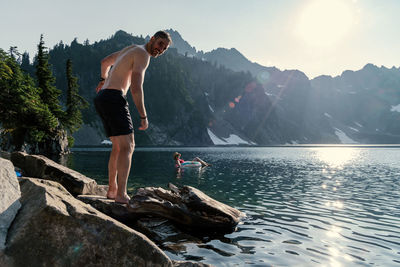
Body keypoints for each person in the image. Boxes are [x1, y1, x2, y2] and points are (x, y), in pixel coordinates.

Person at [94, 31, 171, 204]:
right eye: (160, 44)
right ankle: (121, 194)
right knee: (129, 146)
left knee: (118, 147)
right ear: (152, 39)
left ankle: (112, 190)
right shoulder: (143, 55)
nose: (160, 50)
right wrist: (143, 116)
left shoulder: (130, 49)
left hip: (102, 98)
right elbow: (136, 88)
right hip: (114, 98)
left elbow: (105, 62)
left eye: (164, 49)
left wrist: (102, 80)